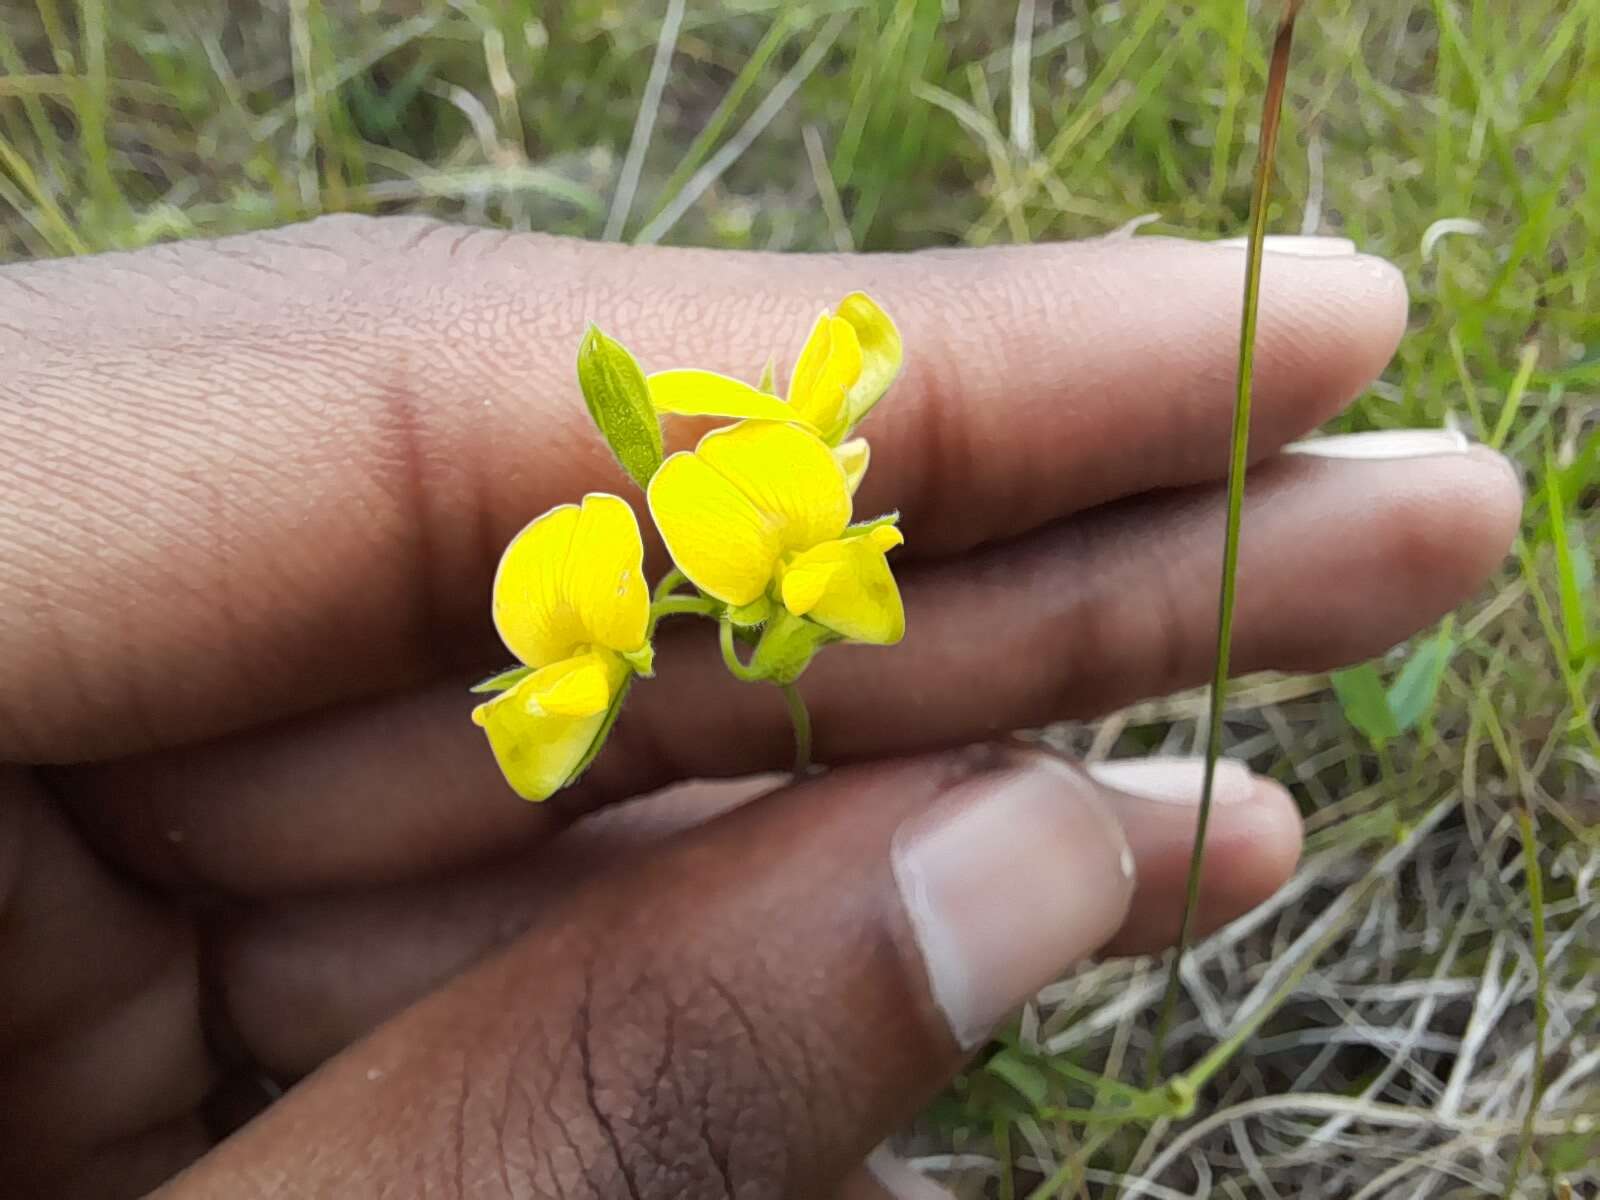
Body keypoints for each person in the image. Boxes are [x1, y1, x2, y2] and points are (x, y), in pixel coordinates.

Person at [0, 217, 1520, 1199]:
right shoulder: (689, 547)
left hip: (739, 548)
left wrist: (794, 534)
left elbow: (816, 587)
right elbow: (783, 599)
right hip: (707, 569)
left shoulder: (759, 516)